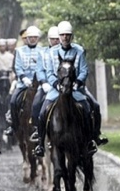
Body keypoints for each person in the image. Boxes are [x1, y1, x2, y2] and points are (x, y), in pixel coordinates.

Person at [34, 21, 109, 157]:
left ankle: (92, 138)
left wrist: (78, 83)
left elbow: (84, 70)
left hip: (76, 89)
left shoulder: (79, 50)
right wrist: (56, 84)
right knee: (42, 112)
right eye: (62, 35)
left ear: (71, 36)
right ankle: (40, 144)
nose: (65, 38)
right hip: (56, 90)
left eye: (67, 35)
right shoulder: (52, 52)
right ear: (59, 36)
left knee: (93, 107)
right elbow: (50, 72)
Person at [3, 25, 44, 137]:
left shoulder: (43, 50)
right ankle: (13, 126)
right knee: (13, 101)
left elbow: (44, 67)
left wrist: (42, 80)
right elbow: (17, 67)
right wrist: (23, 78)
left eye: (35, 37)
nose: (32, 39)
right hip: (23, 83)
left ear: (38, 38)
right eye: (30, 37)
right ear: (27, 38)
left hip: (39, 83)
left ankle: (41, 126)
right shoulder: (19, 51)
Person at [29, 26, 60, 142]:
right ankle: (38, 132)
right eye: (53, 39)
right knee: (36, 105)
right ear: (48, 40)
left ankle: (91, 134)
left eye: (57, 39)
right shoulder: (43, 53)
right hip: (47, 86)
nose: (55, 41)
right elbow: (39, 70)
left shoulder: (67, 51)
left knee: (90, 104)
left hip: (66, 86)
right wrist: (43, 82)